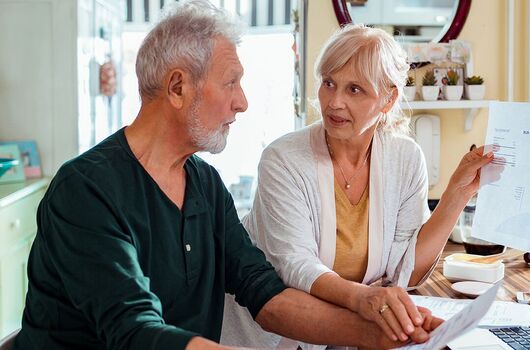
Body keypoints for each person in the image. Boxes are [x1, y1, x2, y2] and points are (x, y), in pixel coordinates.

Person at [14, 2, 444, 350]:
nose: (242, 102)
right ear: (179, 88)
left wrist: (381, 335)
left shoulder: (203, 183)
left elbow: (265, 293)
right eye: (231, 82)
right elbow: (134, 332)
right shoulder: (86, 189)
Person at [221, 24, 495, 349]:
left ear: (388, 98)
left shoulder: (405, 159)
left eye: (354, 90)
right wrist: (366, 299)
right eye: (329, 83)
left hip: (345, 334)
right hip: (270, 337)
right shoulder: (282, 159)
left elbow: (404, 270)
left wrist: (457, 194)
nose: (334, 102)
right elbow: (296, 266)